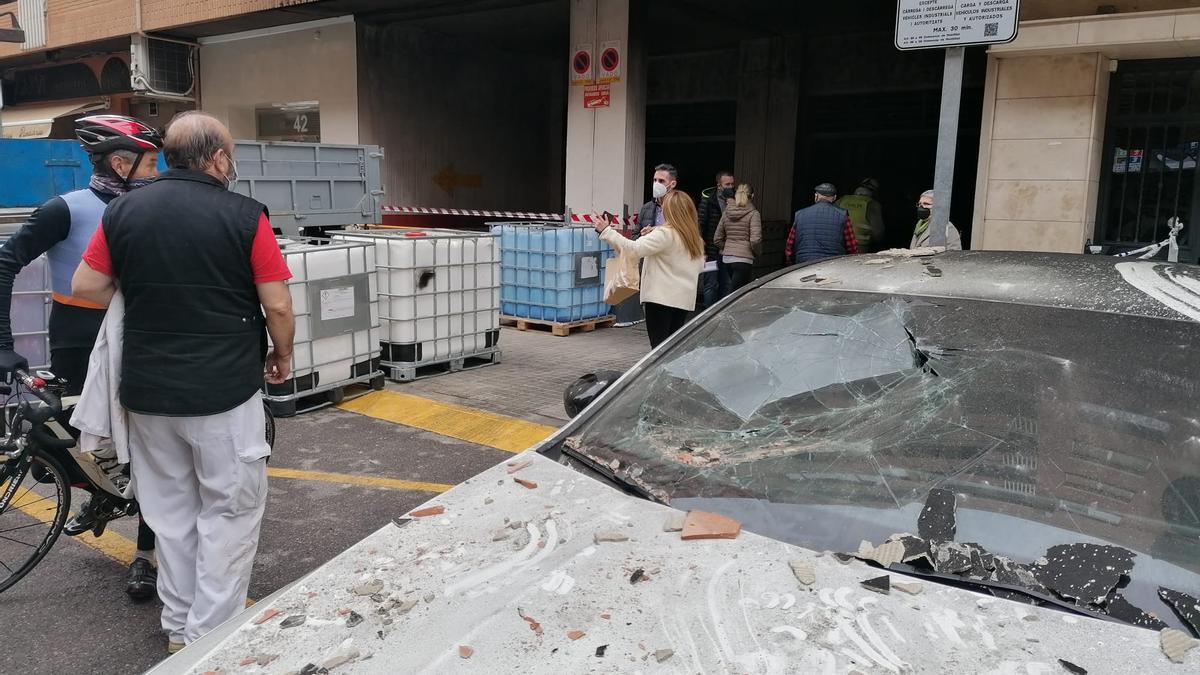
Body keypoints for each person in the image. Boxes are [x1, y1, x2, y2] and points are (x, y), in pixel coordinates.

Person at [71, 111, 296, 652]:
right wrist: (281, 352)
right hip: (223, 393)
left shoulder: (123, 210)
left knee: (170, 515)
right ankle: (208, 641)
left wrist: (149, 302)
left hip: (147, 393)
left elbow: (86, 283)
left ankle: (178, 629)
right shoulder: (245, 216)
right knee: (230, 511)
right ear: (218, 157)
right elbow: (278, 303)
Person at [0, 114, 163, 600]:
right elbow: (5, 262)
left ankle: (146, 556)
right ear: (120, 162)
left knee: (150, 447)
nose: (158, 172)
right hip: (78, 336)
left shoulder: (156, 208)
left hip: (137, 336)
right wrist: (2, 343)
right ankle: (102, 496)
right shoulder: (65, 208)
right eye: (151, 162)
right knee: (72, 444)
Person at [595, 190, 704, 348]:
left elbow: (632, 249)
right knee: (672, 349)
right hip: (683, 301)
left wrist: (606, 231)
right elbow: (700, 266)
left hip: (660, 299)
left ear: (670, 211)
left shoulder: (665, 234)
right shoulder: (695, 239)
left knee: (658, 349)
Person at [785, 182, 859, 265]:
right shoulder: (842, 215)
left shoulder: (800, 214)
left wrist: (791, 263)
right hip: (833, 263)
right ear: (834, 198)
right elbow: (851, 246)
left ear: (816, 196)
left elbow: (790, 245)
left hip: (804, 263)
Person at [695, 170, 736, 310]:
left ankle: (723, 312)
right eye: (727, 184)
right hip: (711, 249)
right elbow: (700, 225)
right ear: (719, 185)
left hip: (729, 250)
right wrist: (702, 248)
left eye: (732, 184)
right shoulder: (708, 200)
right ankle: (708, 313)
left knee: (727, 283)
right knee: (711, 284)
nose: (730, 187)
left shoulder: (736, 200)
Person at [714, 183, 762, 297]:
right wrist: (757, 252)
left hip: (727, 259)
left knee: (735, 291)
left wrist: (729, 247)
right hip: (744, 259)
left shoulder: (727, 212)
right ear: (753, 196)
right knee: (737, 295)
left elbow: (717, 239)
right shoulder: (753, 214)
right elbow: (755, 240)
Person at [836, 177, 885, 252]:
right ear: (875, 192)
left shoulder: (842, 200)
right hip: (859, 248)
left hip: (838, 245)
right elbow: (878, 234)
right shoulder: (872, 204)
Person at [637, 163, 680, 235]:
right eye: (655, 180)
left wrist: (655, 230)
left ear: (673, 184)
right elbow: (634, 236)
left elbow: (687, 235)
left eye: (661, 181)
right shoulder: (646, 208)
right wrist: (643, 236)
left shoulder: (681, 207)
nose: (656, 184)